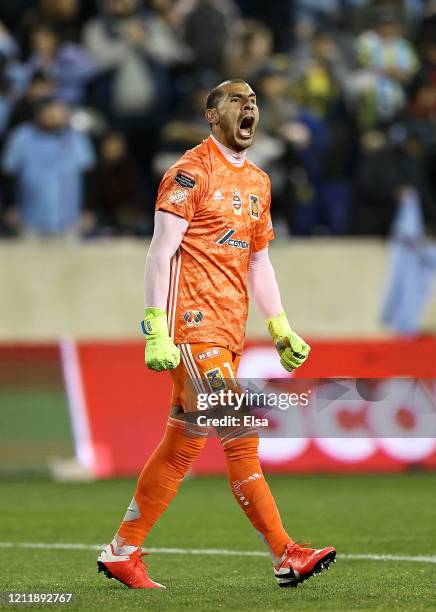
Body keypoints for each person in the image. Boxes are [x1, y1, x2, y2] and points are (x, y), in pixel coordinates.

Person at [97, 79, 336, 589]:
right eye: (235, 100)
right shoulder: (188, 174)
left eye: (253, 101)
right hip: (192, 326)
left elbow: (259, 263)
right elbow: (160, 253)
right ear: (211, 115)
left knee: (184, 439)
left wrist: (280, 327)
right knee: (240, 434)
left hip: (229, 330)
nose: (249, 106)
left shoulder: (259, 182)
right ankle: (285, 555)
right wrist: (155, 328)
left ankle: (122, 550)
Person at [1, 96, 95, 237]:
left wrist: (87, 209)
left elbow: (89, 175)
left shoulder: (75, 137)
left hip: (69, 220)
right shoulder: (22, 136)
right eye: (50, 113)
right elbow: (9, 173)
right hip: (29, 219)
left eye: (60, 113)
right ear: (39, 114)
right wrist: (10, 205)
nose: (55, 117)